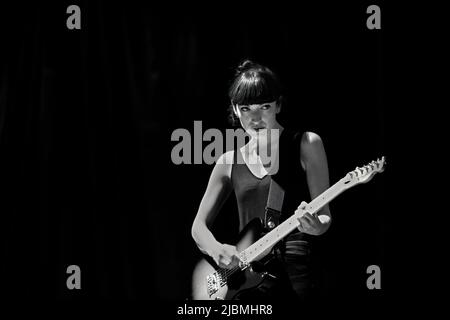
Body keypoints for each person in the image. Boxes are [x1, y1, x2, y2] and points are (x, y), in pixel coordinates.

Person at [191, 59, 332, 302]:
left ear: (278, 105)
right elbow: (198, 227)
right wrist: (218, 251)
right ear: (235, 109)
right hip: (249, 279)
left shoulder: (307, 144)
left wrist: (315, 226)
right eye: (246, 109)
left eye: (264, 106)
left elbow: (324, 215)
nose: (255, 118)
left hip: (298, 273)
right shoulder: (228, 161)